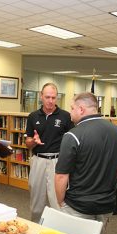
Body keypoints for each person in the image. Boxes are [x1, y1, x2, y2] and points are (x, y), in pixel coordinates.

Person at [55, 92, 117, 234]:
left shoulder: (72, 136)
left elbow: (61, 176)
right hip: (106, 203)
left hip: (77, 204)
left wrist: (61, 203)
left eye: (72, 108)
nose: (70, 113)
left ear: (81, 109)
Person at [25, 83, 73, 222]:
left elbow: (72, 142)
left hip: (57, 162)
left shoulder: (66, 116)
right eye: (47, 97)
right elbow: (27, 143)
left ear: (57, 97)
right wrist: (34, 141)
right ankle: (35, 229)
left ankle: (60, 233)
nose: (50, 100)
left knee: (57, 202)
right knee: (36, 204)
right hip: (38, 160)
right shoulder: (33, 116)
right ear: (41, 96)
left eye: (53, 97)